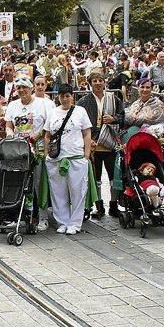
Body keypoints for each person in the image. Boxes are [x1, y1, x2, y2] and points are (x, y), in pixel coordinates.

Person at [43, 83, 93, 235]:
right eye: (61, 96)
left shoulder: (80, 111)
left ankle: (75, 223)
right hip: (56, 158)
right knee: (58, 192)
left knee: (78, 191)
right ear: (57, 97)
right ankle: (62, 221)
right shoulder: (53, 112)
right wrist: (47, 154)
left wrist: (86, 155)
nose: (64, 99)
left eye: (67, 96)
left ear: (72, 96)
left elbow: (87, 133)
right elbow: (47, 135)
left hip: (76, 157)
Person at [78, 72, 123, 219]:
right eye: (95, 81)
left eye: (100, 80)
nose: (98, 83)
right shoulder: (84, 101)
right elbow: (79, 122)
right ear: (90, 83)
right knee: (95, 177)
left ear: (105, 82)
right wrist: (88, 139)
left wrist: (114, 118)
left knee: (112, 176)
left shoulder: (114, 99)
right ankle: (98, 205)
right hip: (93, 143)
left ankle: (114, 204)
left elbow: (123, 117)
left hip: (109, 142)